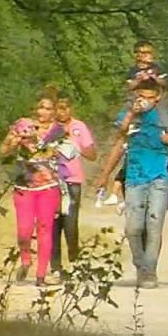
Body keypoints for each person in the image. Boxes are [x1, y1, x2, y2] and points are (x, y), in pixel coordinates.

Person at [113, 78, 168, 288]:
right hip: (134, 176)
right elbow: (121, 132)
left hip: (158, 176)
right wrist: (133, 113)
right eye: (142, 96)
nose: (146, 101)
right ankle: (140, 263)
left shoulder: (165, 114)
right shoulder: (129, 112)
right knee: (133, 227)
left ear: (158, 97)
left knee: (154, 224)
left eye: (150, 97)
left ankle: (149, 271)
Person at [0, 92, 69, 287]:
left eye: (48, 109)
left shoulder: (59, 131)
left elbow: (62, 154)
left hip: (48, 186)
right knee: (24, 230)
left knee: (45, 228)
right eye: (40, 108)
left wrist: (38, 139)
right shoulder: (22, 125)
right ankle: (26, 259)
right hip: (24, 185)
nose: (43, 112)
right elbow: (3, 150)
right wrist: (14, 142)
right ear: (34, 109)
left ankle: (41, 275)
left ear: (55, 112)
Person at [51, 95, 96, 275]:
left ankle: (74, 261)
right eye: (59, 108)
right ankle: (55, 266)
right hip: (51, 179)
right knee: (53, 224)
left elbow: (92, 154)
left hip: (72, 180)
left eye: (66, 107)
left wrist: (76, 145)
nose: (62, 112)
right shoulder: (49, 127)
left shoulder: (79, 126)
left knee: (70, 223)